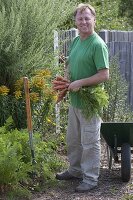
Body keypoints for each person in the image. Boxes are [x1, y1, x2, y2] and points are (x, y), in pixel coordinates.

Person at [55, 3, 109, 193]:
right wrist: (67, 79)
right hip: (75, 100)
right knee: (73, 140)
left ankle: (91, 178)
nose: (84, 21)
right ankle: (75, 170)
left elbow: (104, 75)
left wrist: (80, 83)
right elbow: (71, 62)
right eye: (80, 18)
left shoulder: (97, 44)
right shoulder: (77, 41)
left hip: (90, 102)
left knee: (89, 141)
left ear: (94, 20)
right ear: (75, 21)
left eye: (87, 18)